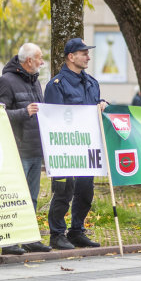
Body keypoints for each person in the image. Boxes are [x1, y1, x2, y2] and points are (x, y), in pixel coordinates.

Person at [44, 38, 106, 250]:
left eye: (88, 53)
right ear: (71, 57)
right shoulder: (56, 85)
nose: (88, 56)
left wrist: (103, 104)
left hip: (87, 148)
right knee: (64, 191)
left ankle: (77, 231)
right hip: (65, 148)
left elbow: (93, 106)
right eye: (83, 53)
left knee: (86, 190)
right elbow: (54, 117)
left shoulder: (92, 82)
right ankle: (57, 234)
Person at [0, 43, 52, 254]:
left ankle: (28, 237)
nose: (42, 62)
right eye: (40, 58)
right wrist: (24, 112)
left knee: (32, 197)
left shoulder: (35, 82)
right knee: (14, 196)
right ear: (29, 61)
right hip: (17, 149)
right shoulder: (6, 82)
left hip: (34, 148)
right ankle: (9, 241)